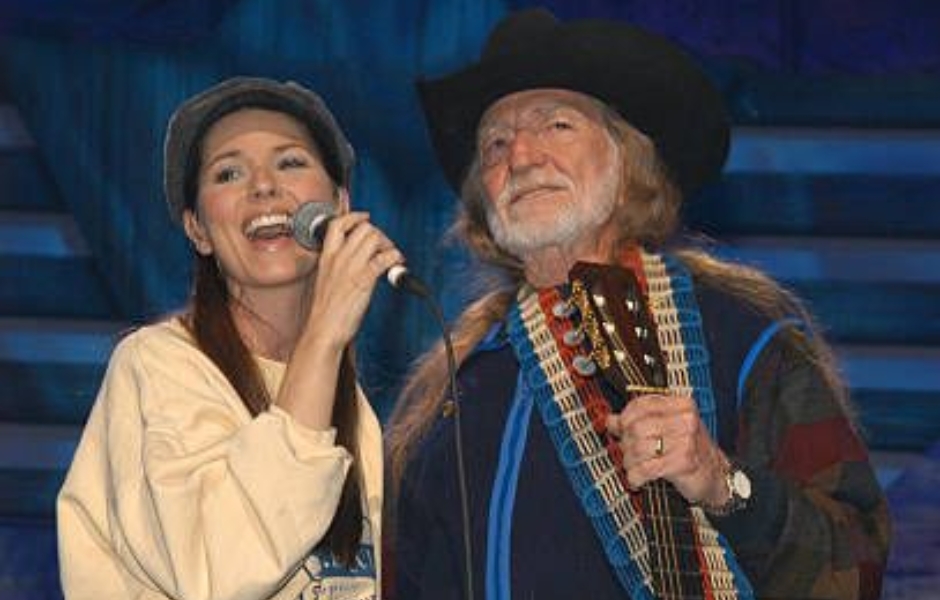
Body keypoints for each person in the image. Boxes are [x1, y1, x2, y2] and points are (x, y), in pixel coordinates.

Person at [386, 8, 891, 600]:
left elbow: (855, 562)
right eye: (494, 144)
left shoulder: (742, 339)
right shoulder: (454, 391)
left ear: (628, 162)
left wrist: (723, 484)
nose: (520, 157)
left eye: (557, 126)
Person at [57, 77, 401, 599]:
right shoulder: (155, 365)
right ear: (197, 229)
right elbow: (218, 575)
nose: (263, 186)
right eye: (229, 173)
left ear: (339, 202)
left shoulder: (353, 408)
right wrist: (324, 336)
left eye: (290, 162)